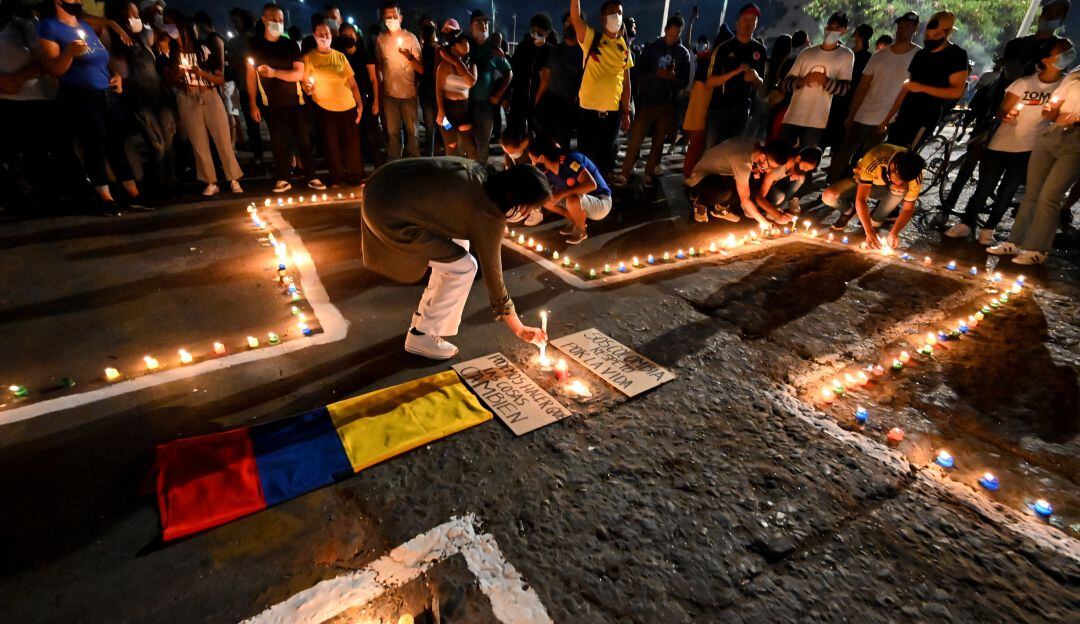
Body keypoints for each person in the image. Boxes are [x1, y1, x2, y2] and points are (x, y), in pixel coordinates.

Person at [361, 158, 551, 360]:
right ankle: (421, 335)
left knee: (460, 248)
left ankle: (424, 323)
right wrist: (518, 328)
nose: (529, 213)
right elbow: (494, 278)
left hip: (380, 183)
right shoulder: (488, 213)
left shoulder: (480, 172)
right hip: (388, 214)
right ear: (518, 200)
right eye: (530, 208)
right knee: (464, 267)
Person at [945, 39, 1073, 245]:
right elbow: (1002, 110)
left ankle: (989, 228)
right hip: (1001, 144)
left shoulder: (1066, 86)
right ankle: (967, 223)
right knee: (985, 187)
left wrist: (1053, 115)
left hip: (1030, 149)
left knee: (1007, 191)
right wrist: (1007, 115)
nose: (1069, 54)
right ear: (1047, 59)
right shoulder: (1024, 83)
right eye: (1063, 52)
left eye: (1070, 51)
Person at [38, 0, 140, 214]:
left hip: (107, 93)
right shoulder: (48, 26)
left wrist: (116, 76)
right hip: (80, 94)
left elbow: (101, 59)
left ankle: (132, 192)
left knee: (116, 143)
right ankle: (104, 195)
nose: (77, 1)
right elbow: (53, 68)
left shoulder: (83, 26)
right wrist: (69, 54)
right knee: (95, 144)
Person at [988, 63, 1080, 265]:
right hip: (1052, 134)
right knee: (1032, 192)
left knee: (1050, 195)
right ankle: (1015, 241)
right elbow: (1052, 109)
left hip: (1076, 142)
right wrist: (1051, 110)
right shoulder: (1074, 75)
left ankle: (1038, 249)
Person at [826, 12, 920, 184]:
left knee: (868, 158)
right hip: (863, 113)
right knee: (844, 151)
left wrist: (888, 119)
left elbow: (907, 91)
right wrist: (852, 113)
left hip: (886, 118)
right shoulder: (880, 56)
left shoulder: (918, 57)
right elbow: (862, 86)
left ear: (915, 29)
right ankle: (832, 184)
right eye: (900, 25)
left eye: (907, 26)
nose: (902, 29)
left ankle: (852, 190)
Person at [248, 3, 324, 193]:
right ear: (264, 20)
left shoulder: (289, 44)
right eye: (274, 20)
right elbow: (251, 76)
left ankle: (311, 176)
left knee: (303, 140)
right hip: (271, 103)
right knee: (279, 141)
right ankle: (283, 177)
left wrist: (274, 73)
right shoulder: (255, 46)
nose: (279, 23)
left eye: (281, 20)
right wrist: (252, 103)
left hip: (295, 101)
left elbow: (299, 74)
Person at [168, 10, 243, 196]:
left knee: (222, 138)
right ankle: (210, 181)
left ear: (182, 27)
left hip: (209, 95)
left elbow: (220, 79)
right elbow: (168, 80)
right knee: (198, 142)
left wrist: (201, 73)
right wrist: (177, 75)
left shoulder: (203, 47)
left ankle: (233, 178)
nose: (168, 28)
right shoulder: (171, 51)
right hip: (186, 98)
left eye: (171, 24)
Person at [614, 14, 690, 187]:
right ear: (665, 30)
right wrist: (656, 75)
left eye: (677, 35)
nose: (673, 37)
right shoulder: (652, 48)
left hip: (667, 104)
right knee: (636, 139)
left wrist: (672, 77)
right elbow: (638, 75)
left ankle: (649, 174)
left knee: (658, 142)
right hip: (647, 102)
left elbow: (684, 81)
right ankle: (625, 173)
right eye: (671, 34)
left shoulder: (682, 53)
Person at [882, 11, 968, 149]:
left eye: (936, 35)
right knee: (889, 152)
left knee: (904, 160)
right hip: (904, 115)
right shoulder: (921, 55)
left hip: (926, 117)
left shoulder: (956, 55)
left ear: (947, 34)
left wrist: (921, 88)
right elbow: (907, 87)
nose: (930, 39)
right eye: (927, 35)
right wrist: (888, 118)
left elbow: (956, 91)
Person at [569, 0, 633, 175]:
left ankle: (602, 196)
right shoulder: (592, 39)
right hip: (588, 113)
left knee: (606, 159)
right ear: (602, 18)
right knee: (585, 158)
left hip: (613, 115)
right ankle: (584, 195)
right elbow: (575, 17)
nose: (617, 17)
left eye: (619, 12)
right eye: (612, 13)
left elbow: (626, 82)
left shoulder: (624, 47)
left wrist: (626, 110)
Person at [820, 143, 925, 248]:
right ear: (893, 167)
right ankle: (849, 211)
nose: (901, 184)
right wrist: (868, 231)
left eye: (905, 182)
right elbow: (861, 199)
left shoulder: (914, 174)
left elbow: (908, 209)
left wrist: (894, 233)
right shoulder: (876, 157)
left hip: (887, 193)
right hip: (863, 184)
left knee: (899, 190)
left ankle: (876, 222)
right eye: (899, 180)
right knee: (828, 196)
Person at [303, 19, 364, 186]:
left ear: (331, 36)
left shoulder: (340, 56)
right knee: (331, 145)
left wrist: (359, 104)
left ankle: (355, 176)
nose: (324, 37)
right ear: (314, 35)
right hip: (325, 109)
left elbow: (352, 83)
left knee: (352, 145)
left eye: (327, 34)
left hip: (348, 107)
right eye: (320, 34)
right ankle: (337, 177)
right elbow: (305, 85)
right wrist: (308, 88)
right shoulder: (308, 58)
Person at [779, 12, 853, 149]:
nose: (831, 31)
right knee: (781, 155)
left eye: (836, 28)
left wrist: (825, 81)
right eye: (829, 27)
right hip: (793, 115)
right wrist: (801, 81)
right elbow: (785, 82)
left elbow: (844, 88)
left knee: (806, 161)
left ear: (844, 31)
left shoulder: (846, 55)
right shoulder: (807, 53)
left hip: (817, 120)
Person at [686, 137, 793, 226]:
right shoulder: (742, 160)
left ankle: (719, 209)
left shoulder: (758, 144)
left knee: (748, 181)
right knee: (725, 193)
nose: (769, 171)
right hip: (701, 177)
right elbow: (745, 199)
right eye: (769, 167)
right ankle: (699, 200)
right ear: (763, 157)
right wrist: (763, 222)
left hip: (720, 174)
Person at [528, 135, 613, 244]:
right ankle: (575, 221)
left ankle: (581, 231)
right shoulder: (546, 169)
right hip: (581, 201)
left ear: (541, 158)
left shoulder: (569, 161)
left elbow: (591, 185)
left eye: (532, 159)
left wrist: (562, 194)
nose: (532, 163)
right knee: (546, 199)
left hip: (601, 202)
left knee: (572, 200)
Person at [704, 3, 765, 147]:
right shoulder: (723, 48)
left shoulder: (760, 50)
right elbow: (709, 82)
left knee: (733, 153)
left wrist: (755, 77)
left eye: (753, 20)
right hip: (719, 108)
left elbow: (761, 84)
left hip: (742, 109)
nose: (748, 24)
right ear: (737, 22)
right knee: (710, 151)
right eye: (745, 19)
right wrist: (734, 72)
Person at [461, 10, 511, 163]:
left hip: (486, 107)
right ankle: (469, 171)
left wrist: (498, 95)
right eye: (479, 21)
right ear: (471, 26)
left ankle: (481, 174)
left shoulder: (494, 50)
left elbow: (509, 72)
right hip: (464, 106)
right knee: (465, 143)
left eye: (485, 21)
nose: (483, 24)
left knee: (483, 144)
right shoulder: (465, 45)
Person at [376, 0, 423, 160]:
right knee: (393, 133)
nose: (391, 19)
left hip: (409, 94)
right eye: (387, 16)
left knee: (413, 132)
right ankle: (394, 164)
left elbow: (421, 68)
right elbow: (379, 65)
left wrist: (408, 57)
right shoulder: (381, 39)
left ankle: (414, 162)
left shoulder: (411, 38)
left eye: (394, 16)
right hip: (389, 95)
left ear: (401, 18)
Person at [339, 22, 384, 169]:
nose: (348, 37)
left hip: (366, 98)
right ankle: (359, 167)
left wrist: (376, 100)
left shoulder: (364, 53)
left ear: (356, 36)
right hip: (347, 101)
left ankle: (377, 165)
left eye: (351, 35)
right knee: (354, 136)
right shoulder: (339, 56)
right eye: (345, 35)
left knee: (372, 134)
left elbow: (373, 79)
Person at [534, 21, 582, 150]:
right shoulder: (556, 50)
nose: (569, 26)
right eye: (566, 23)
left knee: (568, 145)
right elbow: (546, 78)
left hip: (573, 105)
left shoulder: (584, 51)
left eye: (572, 22)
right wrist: (537, 101)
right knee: (552, 143)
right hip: (553, 104)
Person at [824, 22, 871, 148]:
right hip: (837, 91)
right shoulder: (849, 52)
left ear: (859, 35)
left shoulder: (864, 57)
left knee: (838, 128)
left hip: (847, 97)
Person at [435, 31, 478, 160]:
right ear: (454, 46)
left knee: (471, 147)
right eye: (464, 42)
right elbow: (438, 89)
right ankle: (451, 175)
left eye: (468, 42)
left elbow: (471, 82)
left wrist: (457, 62)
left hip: (464, 111)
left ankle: (475, 175)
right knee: (451, 146)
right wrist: (441, 110)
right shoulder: (443, 66)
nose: (468, 45)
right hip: (447, 112)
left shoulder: (471, 64)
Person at [228, 8, 263, 164]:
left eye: (238, 20)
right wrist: (243, 62)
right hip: (244, 87)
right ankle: (258, 154)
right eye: (234, 21)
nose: (236, 24)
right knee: (251, 124)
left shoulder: (257, 38)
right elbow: (232, 64)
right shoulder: (233, 43)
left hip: (263, 87)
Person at [508, 13, 554, 133]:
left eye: (540, 32)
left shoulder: (551, 51)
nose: (535, 34)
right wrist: (507, 96)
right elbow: (513, 71)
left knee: (537, 134)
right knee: (517, 133)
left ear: (547, 33)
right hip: (519, 98)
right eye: (533, 31)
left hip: (539, 102)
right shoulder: (523, 47)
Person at [755, 146, 821, 216]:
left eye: (808, 170)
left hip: (775, 183)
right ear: (798, 159)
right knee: (779, 196)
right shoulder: (778, 165)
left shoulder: (795, 164)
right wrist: (777, 215)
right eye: (805, 168)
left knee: (800, 180)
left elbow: (800, 175)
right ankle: (765, 212)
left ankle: (778, 208)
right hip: (761, 185)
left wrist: (796, 174)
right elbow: (759, 197)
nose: (805, 171)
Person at [418, 20, 439, 156]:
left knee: (430, 124)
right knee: (443, 120)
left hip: (426, 92)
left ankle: (430, 152)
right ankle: (445, 143)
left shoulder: (421, 51)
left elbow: (420, 71)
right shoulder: (437, 50)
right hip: (436, 91)